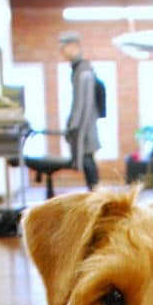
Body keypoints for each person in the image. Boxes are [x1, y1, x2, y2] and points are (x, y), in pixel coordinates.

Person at [59, 31, 100, 191]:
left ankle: (96, 195)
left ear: (74, 46)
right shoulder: (79, 69)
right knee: (87, 160)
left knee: (87, 159)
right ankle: (95, 194)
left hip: (85, 127)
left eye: (63, 48)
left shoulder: (83, 70)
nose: (61, 52)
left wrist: (74, 127)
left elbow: (82, 104)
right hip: (84, 125)